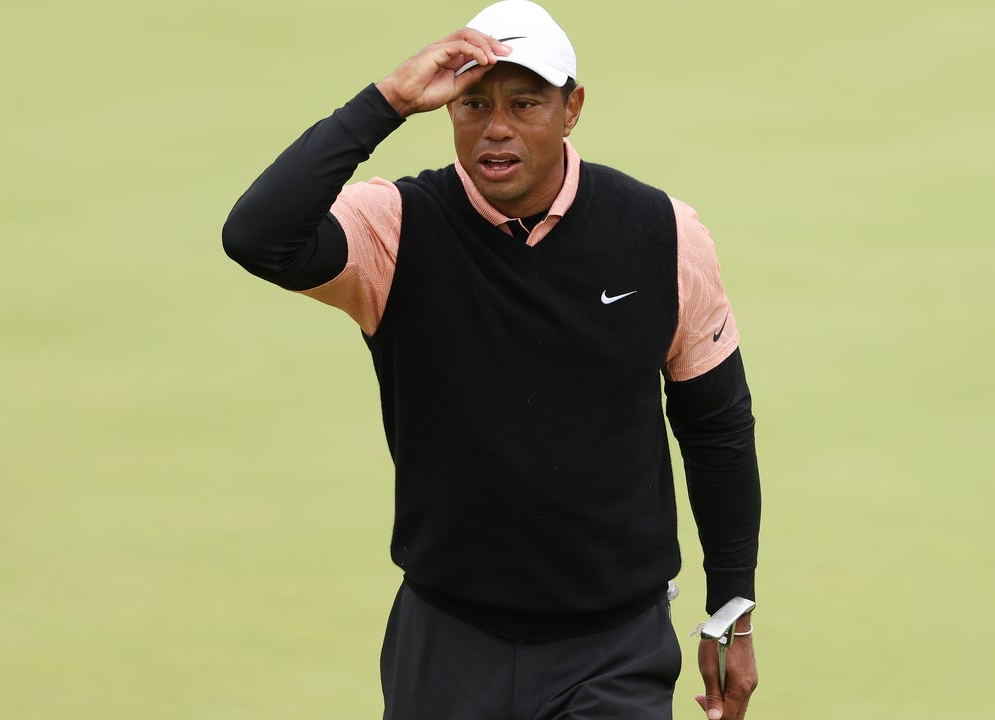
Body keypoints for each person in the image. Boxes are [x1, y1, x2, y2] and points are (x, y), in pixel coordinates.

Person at [222, 1, 761, 718]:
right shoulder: (395, 227)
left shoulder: (663, 233)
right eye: (474, 103)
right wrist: (387, 101)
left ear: (571, 109)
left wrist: (732, 610)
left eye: (525, 103)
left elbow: (716, 426)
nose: (496, 127)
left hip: (614, 648)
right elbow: (257, 236)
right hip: (449, 639)